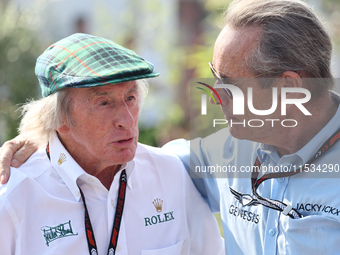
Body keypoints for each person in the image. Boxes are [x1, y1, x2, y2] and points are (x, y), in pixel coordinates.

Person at [1, 0, 340, 254]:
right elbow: (150, 161)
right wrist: (42, 135)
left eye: (228, 83)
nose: (214, 94)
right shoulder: (225, 154)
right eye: (214, 74)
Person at [0, 33, 224, 255]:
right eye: (104, 102)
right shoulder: (13, 199)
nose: (126, 121)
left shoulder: (172, 174)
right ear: (60, 119)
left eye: (130, 98)